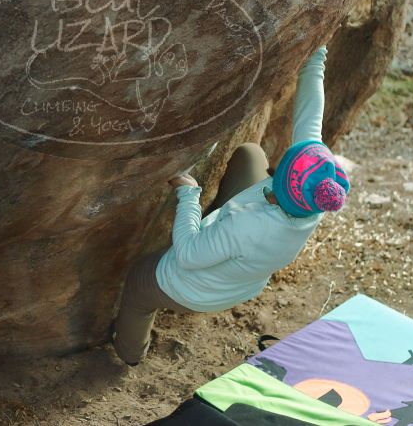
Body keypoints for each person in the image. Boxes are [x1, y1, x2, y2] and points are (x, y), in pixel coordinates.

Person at [111, 45, 350, 366]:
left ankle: (130, 354)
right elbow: (311, 113)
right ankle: (213, 227)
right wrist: (317, 53)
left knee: (140, 282)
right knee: (252, 156)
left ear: (281, 188)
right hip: (245, 270)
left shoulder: (250, 225)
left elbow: (188, 256)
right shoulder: (316, 192)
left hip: (197, 289)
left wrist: (188, 195)